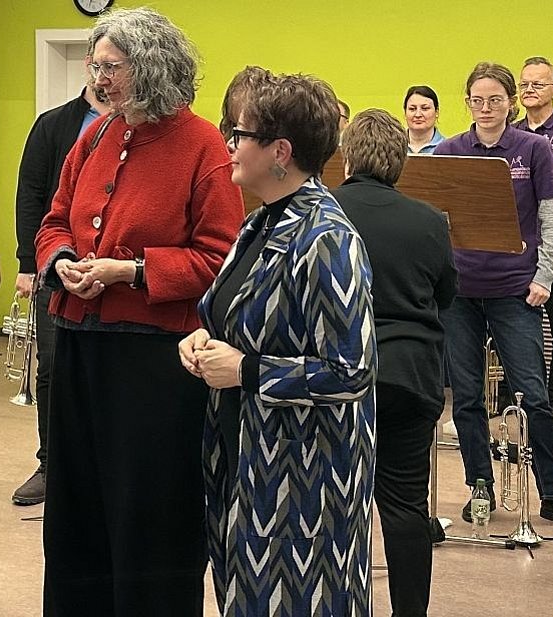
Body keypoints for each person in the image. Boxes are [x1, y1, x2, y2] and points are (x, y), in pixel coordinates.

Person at [33, 8, 242, 614]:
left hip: (153, 360)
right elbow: (54, 220)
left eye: (109, 67)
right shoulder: (95, 135)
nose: (97, 78)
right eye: (94, 65)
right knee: (79, 503)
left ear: (149, 66)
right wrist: (64, 259)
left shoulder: (203, 144)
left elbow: (220, 255)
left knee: (148, 508)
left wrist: (130, 271)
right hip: (78, 342)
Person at [184, 70, 376, 615]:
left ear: (280, 152)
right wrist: (203, 340)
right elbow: (242, 319)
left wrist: (247, 370)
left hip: (303, 484)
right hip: (244, 456)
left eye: (241, 134)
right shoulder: (262, 222)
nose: (230, 145)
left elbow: (350, 371)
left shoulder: (327, 238)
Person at [334, 108, 456, 617]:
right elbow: (446, 294)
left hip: (339, 375)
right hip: (410, 374)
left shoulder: (324, 213)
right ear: (401, 161)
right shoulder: (429, 220)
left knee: (338, 506)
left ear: (345, 159)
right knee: (405, 507)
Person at [435, 62, 553, 527]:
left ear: (510, 102)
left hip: (517, 290)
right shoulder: (450, 150)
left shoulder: (533, 150)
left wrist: (545, 277)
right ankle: (481, 487)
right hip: (461, 293)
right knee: (468, 397)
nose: (485, 108)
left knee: (533, 395)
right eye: (476, 99)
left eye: (494, 99)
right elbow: (435, 220)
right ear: (467, 102)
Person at [10, 57, 112, 507]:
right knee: (52, 369)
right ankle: (51, 464)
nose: (105, 77)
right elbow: (31, 193)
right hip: (58, 267)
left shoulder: (143, 127)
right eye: (100, 66)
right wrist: (30, 263)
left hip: (118, 275)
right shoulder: (54, 125)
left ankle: (100, 467)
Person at [513, 57, 553, 430]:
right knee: (510, 328)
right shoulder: (508, 132)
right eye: (525, 84)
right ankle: (509, 401)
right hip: (516, 245)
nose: (530, 90)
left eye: (538, 84)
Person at [405, 85, 447, 154]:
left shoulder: (448, 148)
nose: (418, 115)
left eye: (425, 109)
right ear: (405, 113)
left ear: (437, 112)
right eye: (412, 109)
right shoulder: (392, 147)